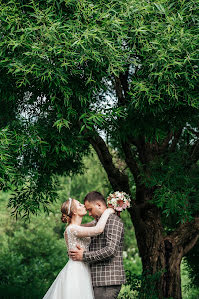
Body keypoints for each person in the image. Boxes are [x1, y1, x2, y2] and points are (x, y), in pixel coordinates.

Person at [42, 197, 114, 299]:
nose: (84, 205)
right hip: (77, 270)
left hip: (85, 266)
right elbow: (98, 229)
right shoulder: (71, 229)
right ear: (74, 211)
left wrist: (106, 208)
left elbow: (95, 223)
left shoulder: (79, 227)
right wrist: (108, 211)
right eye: (80, 204)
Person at [69, 191, 126, 299]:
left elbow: (110, 250)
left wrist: (84, 255)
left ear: (99, 205)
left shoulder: (113, 220)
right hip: (97, 280)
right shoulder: (100, 222)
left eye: (90, 209)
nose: (89, 214)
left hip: (107, 281)